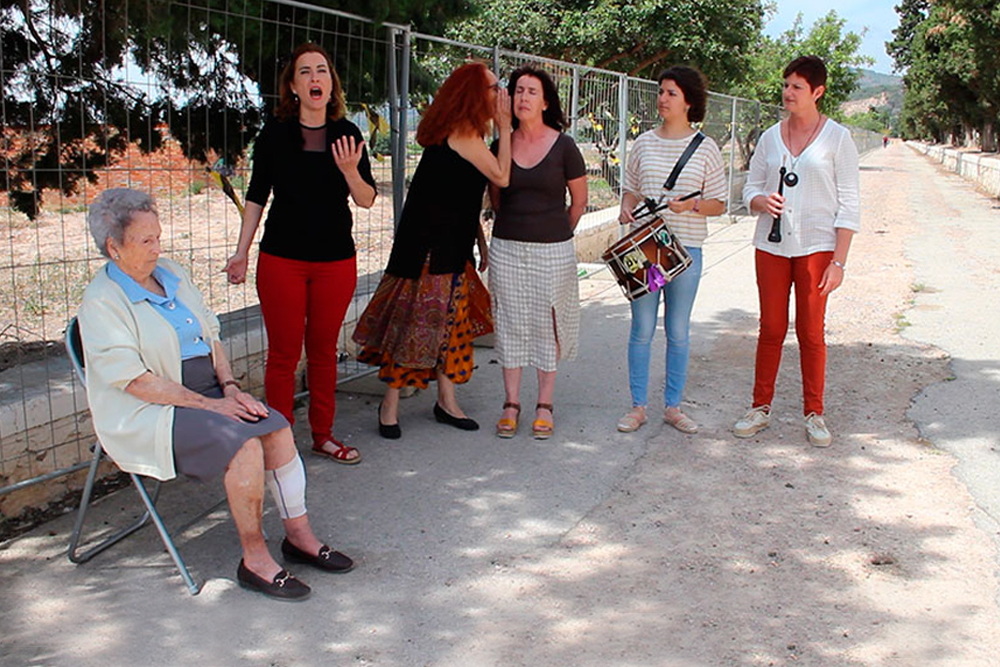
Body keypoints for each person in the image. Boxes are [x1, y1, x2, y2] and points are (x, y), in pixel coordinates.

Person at [79, 188, 354, 601]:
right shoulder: (102, 302)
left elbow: (210, 333)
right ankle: (255, 560)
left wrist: (230, 387)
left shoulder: (170, 273)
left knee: (276, 429)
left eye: (158, 236)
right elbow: (136, 382)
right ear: (113, 248)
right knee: (243, 445)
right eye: (146, 241)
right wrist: (213, 406)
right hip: (149, 410)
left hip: (209, 393)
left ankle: (299, 537)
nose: (157, 248)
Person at [223, 42, 376, 465]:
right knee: (283, 354)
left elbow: (366, 199)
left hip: (335, 261)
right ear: (292, 85)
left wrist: (350, 171)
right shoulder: (275, 134)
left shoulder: (348, 134)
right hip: (282, 260)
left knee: (324, 352)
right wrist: (241, 252)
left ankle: (323, 435)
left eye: (321, 70)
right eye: (304, 71)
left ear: (331, 82)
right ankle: (280, 442)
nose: (314, 78)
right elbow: (256, 195)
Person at [352, 62, 512, 438]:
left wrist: (479, 240)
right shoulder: (462, 134)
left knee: (452, 327)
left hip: (448, 247)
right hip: (430, 250)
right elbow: (501, 176)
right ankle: (390, 406)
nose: (499, 93)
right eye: (493, 88)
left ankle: (446, 401)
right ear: (474, 94)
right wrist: (505, 128)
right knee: (416, 327)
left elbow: (459, 197)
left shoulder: (463, 132)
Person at [733, 55, 860, 447]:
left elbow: (850, 204)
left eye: (797, 87)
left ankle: (814, 413)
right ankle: (760, 407)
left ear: (817, 92)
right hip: (771, 246)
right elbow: (750, 187)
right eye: (786, 85)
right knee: (771, 328)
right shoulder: (770, 137)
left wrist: (839, 262)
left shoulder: (838, 138)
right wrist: (760, 202)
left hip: (817, 248)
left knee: (810, 331)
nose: (788, 93)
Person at [615, 66, 727, 435]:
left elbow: (719, 203)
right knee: (642, 328)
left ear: (688, 101)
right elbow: (631, 188)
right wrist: (626, 207)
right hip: (645, 247)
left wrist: (691, 206)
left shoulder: (706, 148)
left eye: (671, 93)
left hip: (686, 248)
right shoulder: (644, 143)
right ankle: (637, 406)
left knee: (678, 330)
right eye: (661, 91)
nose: (662, 99)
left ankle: (673, 406)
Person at [488, 66, 588, 439]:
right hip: (507, 248)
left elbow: (579, 202)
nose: (523, 97)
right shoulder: (501, 142)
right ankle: (511, 403)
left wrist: (556, 232)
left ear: (546, 102)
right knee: (510, 323)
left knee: (548, 324)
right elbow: (496, 197)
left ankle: (544, 403)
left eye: (532, 91)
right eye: (518, 91)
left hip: (553, 251)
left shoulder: (565, 146)